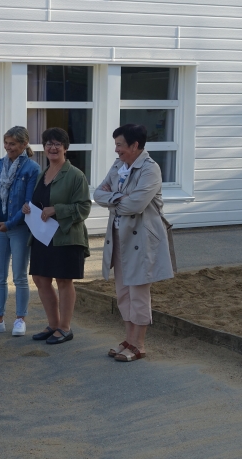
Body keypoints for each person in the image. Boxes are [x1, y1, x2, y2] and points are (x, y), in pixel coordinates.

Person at [93, 123, 175, 362]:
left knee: (138, 292)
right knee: (123, 291)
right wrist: (120, 197)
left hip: (142, 240)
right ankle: (129, 339)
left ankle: (139, 344)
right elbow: (97, 194)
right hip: (119, 237)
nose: (116, 150)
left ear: (135, 145)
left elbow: (136, 205)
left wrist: (112, 199)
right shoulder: (119, 165)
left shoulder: (150, 169)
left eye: (120, 145)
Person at [22, 127, 91, 345]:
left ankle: (65, 327)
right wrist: (28, 208)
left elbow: (84, 208)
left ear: (65, 147)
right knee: (40, 278)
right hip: (43, 235)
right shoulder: (42, 174)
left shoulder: (76, 175)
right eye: (48, 143)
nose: (52, 147)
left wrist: (57, 210)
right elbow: (40, 203)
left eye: (57, 144)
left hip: (66, 237)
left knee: (63, 280)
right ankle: (53, 324)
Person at [0, 126, 40, 337]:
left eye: (12, 144)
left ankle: (20, 319)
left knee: (19, 276)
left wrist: (9, 224)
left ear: (24, 144)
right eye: (6, 143)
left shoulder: (32, 168)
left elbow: (28, 203)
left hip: (19, 228)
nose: (8, 147)